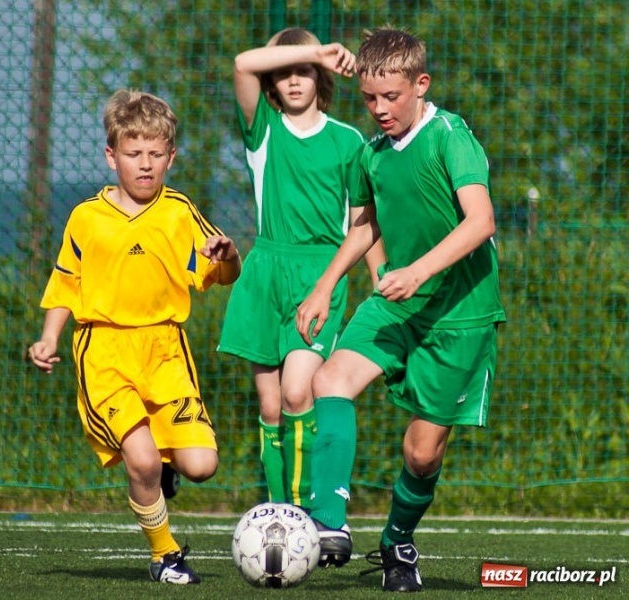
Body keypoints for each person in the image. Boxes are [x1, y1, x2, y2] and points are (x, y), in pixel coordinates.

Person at [295, 26, 506, 592]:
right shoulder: (371, 155)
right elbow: (365, 225)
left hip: (460, 312)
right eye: (369, 99)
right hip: (397, 301)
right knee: (330, 379)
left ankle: (396, 542)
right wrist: (325, 285)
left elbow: (481, 221)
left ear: (421, 85)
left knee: (421, 452)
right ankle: (328, 522)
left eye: (392, 97)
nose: (380, 109)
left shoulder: (449, 136)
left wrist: (417, 270)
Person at [28, 89, 241, 585]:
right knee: (140, 459)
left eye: (155, 154)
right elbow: (65, 283)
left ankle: (163, 471)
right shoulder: (87, 217)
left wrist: (227, 253)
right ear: (111, 156)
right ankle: (165, 555)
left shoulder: (180, 211)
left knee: (202, 465)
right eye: (133, 153)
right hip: (104, 352)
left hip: (166, 351)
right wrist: (49, 337)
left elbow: (225, 272)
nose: (144, 165)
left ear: (171, 157)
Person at [216, 27, 383, 569]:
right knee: (270, 406)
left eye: (305, 71)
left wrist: (380, 284)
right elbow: (243, 61)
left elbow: (364, 224)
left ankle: (314, 517)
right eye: (284, 71)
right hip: (265, 272)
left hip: (320, 276)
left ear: (322, 80)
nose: (293, 79)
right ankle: (278, 514)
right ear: (272, 81)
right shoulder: (263, 131)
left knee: (296, 392)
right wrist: (314, 50)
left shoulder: (349, 142)